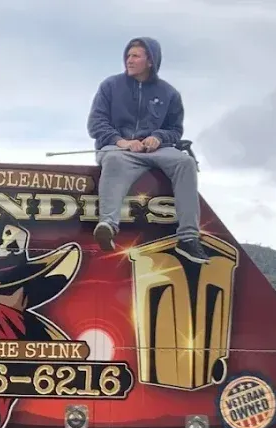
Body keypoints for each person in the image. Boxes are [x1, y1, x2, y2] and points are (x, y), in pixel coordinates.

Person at [86, 36, 209, 264]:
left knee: (186, 163)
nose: (129, 60)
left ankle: (188, 238)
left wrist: (158, 138)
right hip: (119, 149)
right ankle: (108, 226)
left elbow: (175, 130)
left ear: (150, 61)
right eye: (128, 56)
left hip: (156, 151)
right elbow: (96, 124)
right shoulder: (110, 86)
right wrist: (121, 141)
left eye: (135, 56)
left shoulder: (169, 93)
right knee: (113, 159)